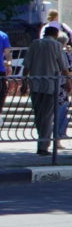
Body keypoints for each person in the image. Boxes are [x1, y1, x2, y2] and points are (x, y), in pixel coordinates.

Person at [24, 22, 68, 156]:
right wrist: (69, 82)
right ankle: (43, 145)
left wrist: (24, 82)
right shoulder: (57, 46)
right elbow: (63, 67)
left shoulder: (35, 44)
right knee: (48, 116)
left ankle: (41, 140)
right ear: (55, 35)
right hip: (51, 85)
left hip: (35, 84)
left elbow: (26, 65)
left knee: (38, 115)